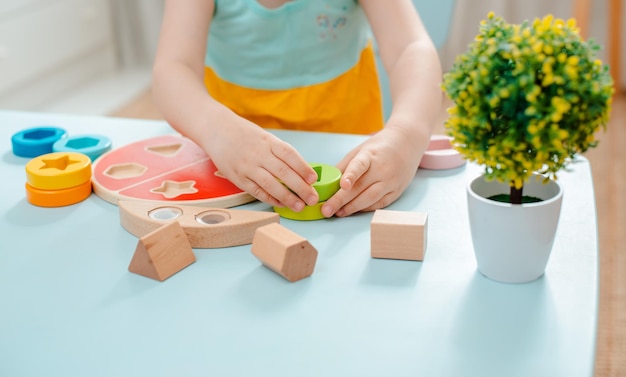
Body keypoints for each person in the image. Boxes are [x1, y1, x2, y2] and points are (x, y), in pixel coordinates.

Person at [152, 0, 442, 218]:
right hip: (232, 169)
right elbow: (173, 69)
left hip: (349, 167)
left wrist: (407, 133)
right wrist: (214, 130)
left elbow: (411, 47)